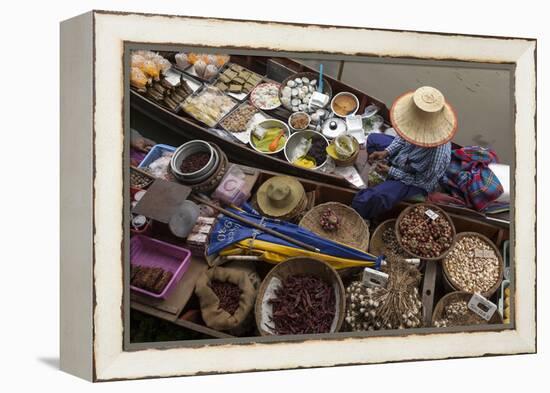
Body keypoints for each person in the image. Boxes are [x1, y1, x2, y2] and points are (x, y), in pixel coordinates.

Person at [352, 86, 458, 220]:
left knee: (372, 198)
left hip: (414, 181)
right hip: (404, 158)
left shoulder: (437, 156)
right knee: (373, 140)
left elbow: (421, 182)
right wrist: (386, 152)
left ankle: (363, 215)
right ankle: (386, 175)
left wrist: (391, 171)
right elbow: (402, 139)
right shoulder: (412, 124)